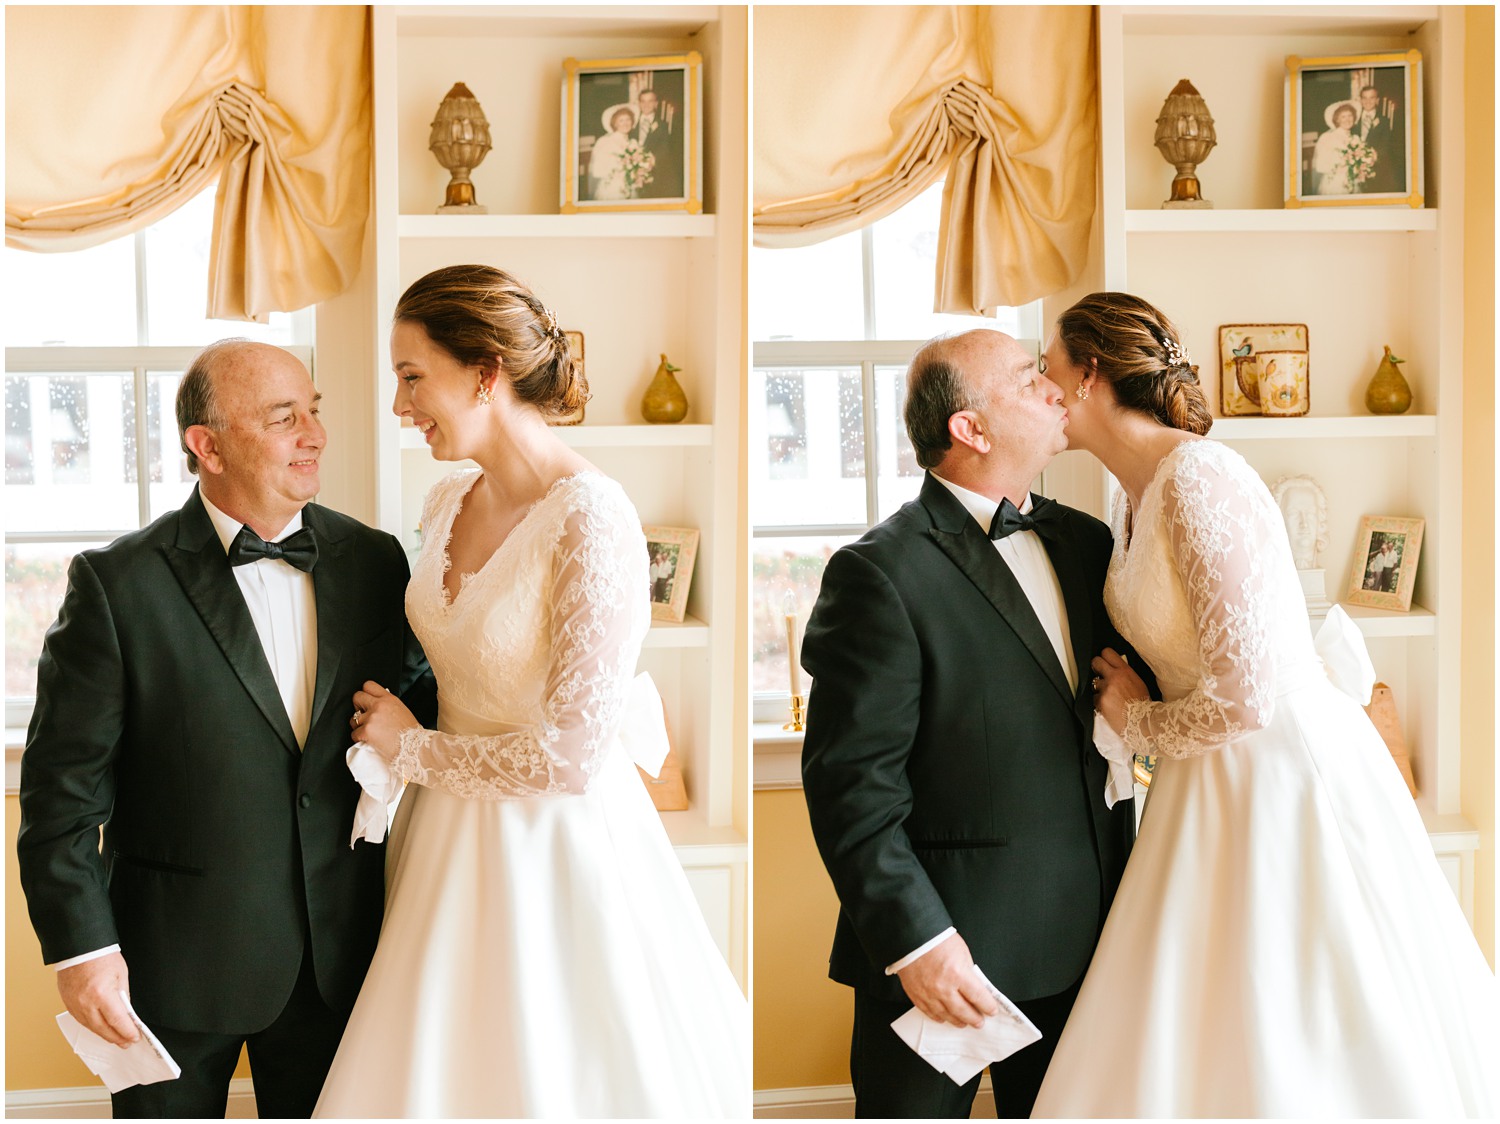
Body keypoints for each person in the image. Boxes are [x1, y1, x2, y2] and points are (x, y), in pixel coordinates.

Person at [1031, 292, 1498, 1117]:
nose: (1041, 383)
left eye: (1049, 367)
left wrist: (1135, 721)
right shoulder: (1127, 500)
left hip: (1283, 776)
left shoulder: (1202, 476)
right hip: (1198, 790)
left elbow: (1245, 696)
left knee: (1299, 1017)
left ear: (1091, 374)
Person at [313, 264, 748, 1117]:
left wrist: (412, 748)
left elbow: (573, 757)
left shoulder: (593, 517)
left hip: (556, 844)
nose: (400, 406)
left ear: (484, 373)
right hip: (442, 838)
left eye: (411, 378)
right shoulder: (445, 500)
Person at [16, 340, 435, 1118]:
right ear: (206, 446)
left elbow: (422, 714)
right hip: (170, 967)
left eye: (314, 411)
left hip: (341, 959)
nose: (314, 434)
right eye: (284, 417)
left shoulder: (376, 562)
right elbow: (60, 799)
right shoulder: (115, 586)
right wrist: (83, 953)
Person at [799, 328, 1142, 1118]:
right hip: (943, 962)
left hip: (1094, 944)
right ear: (971, 428)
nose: (1056, 389)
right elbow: (852, 789)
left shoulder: (1089, 544)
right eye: (1029, 379)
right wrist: (920, 946)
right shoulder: (878, 573)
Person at [587, 103, 645, 201]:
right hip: (612, 189)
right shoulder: (605, 141)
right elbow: (597, 171)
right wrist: (620, 168)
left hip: (630, 188)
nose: (625, 123)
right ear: (615, 123)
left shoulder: (633, 143)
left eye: (628, 119)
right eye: (621, 120)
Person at [1311, 100, 1371, 195]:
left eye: (1350, 115)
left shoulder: (1356, 138)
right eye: (1343, 117)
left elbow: (1360, 162)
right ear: (1337, 119)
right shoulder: (1327, 137)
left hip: (1353, 183)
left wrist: (1362, 167)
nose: (1347, 120)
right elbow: (1320, 166)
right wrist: (1342, 166)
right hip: (1335, 184)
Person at [634, 87, 683, 198]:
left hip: (653, 173)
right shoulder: (631, 124)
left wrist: (650, 162)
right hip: (633, 174)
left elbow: (665, 149)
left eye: (650, 101)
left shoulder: (663, 125)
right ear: (639, 103)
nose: (646, 105)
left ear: (656, 103)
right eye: (643, 101)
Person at [1356, 83, 1403, 193]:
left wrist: (1372, 158)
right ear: (1360, 100)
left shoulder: (1384, 121)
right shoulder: (1354, 119)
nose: (1368, 101)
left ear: (1377, 100)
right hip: (1355, 168)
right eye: (1365, 98)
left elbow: (1386, 145)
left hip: (1376, 167)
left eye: (1372, 98)